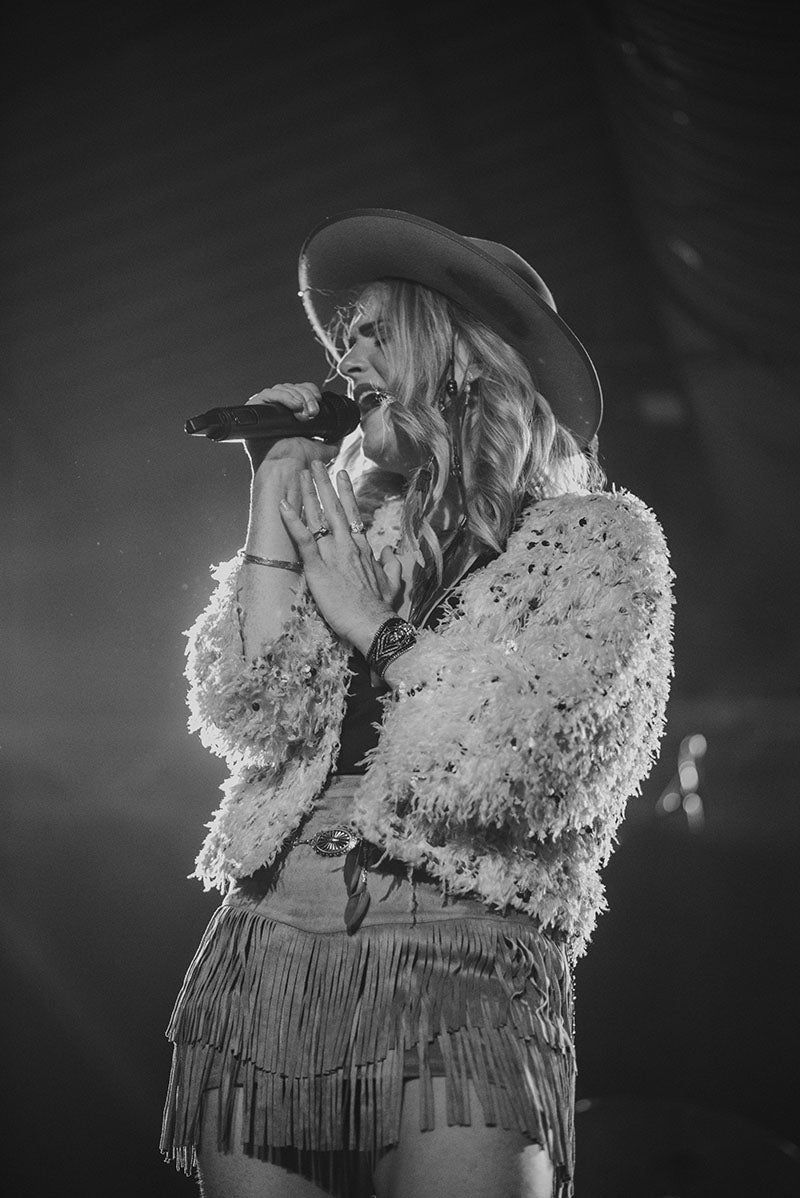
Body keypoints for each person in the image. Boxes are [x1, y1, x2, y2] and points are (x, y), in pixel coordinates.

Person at [161, 209, 674, 1198]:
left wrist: (371, 626)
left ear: (456, 352)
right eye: (338, 333)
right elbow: (248, 705)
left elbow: (523, 747)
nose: (341, 353)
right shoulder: (351, 528)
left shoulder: (594, 540)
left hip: (463, 939)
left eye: (369, 329)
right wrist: (272, 491)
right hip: (275, 930)